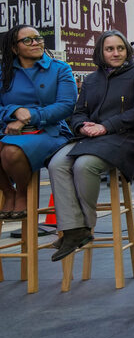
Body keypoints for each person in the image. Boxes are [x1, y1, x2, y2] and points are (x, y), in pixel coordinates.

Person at [46, 31, 134, 261]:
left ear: (127, 50)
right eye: (110, 49)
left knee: (85, 165)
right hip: (90, 137)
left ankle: (84, 226)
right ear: (100, 52)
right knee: (56, 164)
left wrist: (106, 126)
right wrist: (82, 126)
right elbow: (78, 112)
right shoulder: (92, 80)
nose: (116, 53)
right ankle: (75, 230)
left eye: (120, 48)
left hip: (126, 137)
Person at [0, 25, 77, 219]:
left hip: (51, 132)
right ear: (14, 48)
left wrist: (30, 116)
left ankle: (21, 193)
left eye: (38, 38)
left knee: (11, 151)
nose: (35, 42)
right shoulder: (4, 72)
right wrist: (15, 111)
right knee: (8, 146)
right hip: (9, 130)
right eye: (27, 40)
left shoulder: (60, 69)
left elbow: (66, 105)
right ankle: (8, 192)